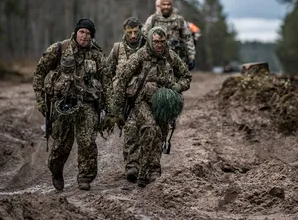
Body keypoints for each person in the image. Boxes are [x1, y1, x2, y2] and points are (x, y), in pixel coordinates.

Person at [103, 26, 192, 187]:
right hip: (141, 101)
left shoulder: (171, 56)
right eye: (156, 42)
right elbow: (123, 78)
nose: (159, 45)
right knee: (150, 128)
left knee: (160, 134)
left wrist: (179, 86)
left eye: (162, 42)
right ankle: (142, 171)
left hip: (163, 104)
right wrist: (116, 109)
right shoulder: (140, 55)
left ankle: (154, 169)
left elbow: (186, 76)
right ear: (150, 41)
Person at [32, 19, 111, 191]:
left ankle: (85, 177)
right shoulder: (59, 49)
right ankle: (56, 171)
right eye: (82, 32)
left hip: (87, 104)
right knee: (61, 144)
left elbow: (107, 81)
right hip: (63, 104)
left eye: (88, 34)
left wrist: (110, 109)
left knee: (88, 142)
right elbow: (39, 73)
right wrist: (40, 100)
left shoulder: (97, 54)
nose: (85, 36)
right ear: (76, 32)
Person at [106, 17, 146, 177]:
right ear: (125, 31)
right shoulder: (117, 49)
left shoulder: (147, 47)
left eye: (136, 31)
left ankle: (146, 164)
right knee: (130, 129)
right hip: (125, 99)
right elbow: (107, 72)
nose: (133, 35)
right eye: (130, 32)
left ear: (140, 29)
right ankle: (132, 165)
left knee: (147, 130)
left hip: (144, 95)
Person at [143, 0, 196, 70]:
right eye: (164, 4)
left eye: (168, 4)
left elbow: (187, 38)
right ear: (160, 6)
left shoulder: (179, 20)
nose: (166, 7)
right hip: (157, 60)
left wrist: (191, 57)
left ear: (172, 5)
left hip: (176, 59)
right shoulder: (153, 19)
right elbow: (145, 36)